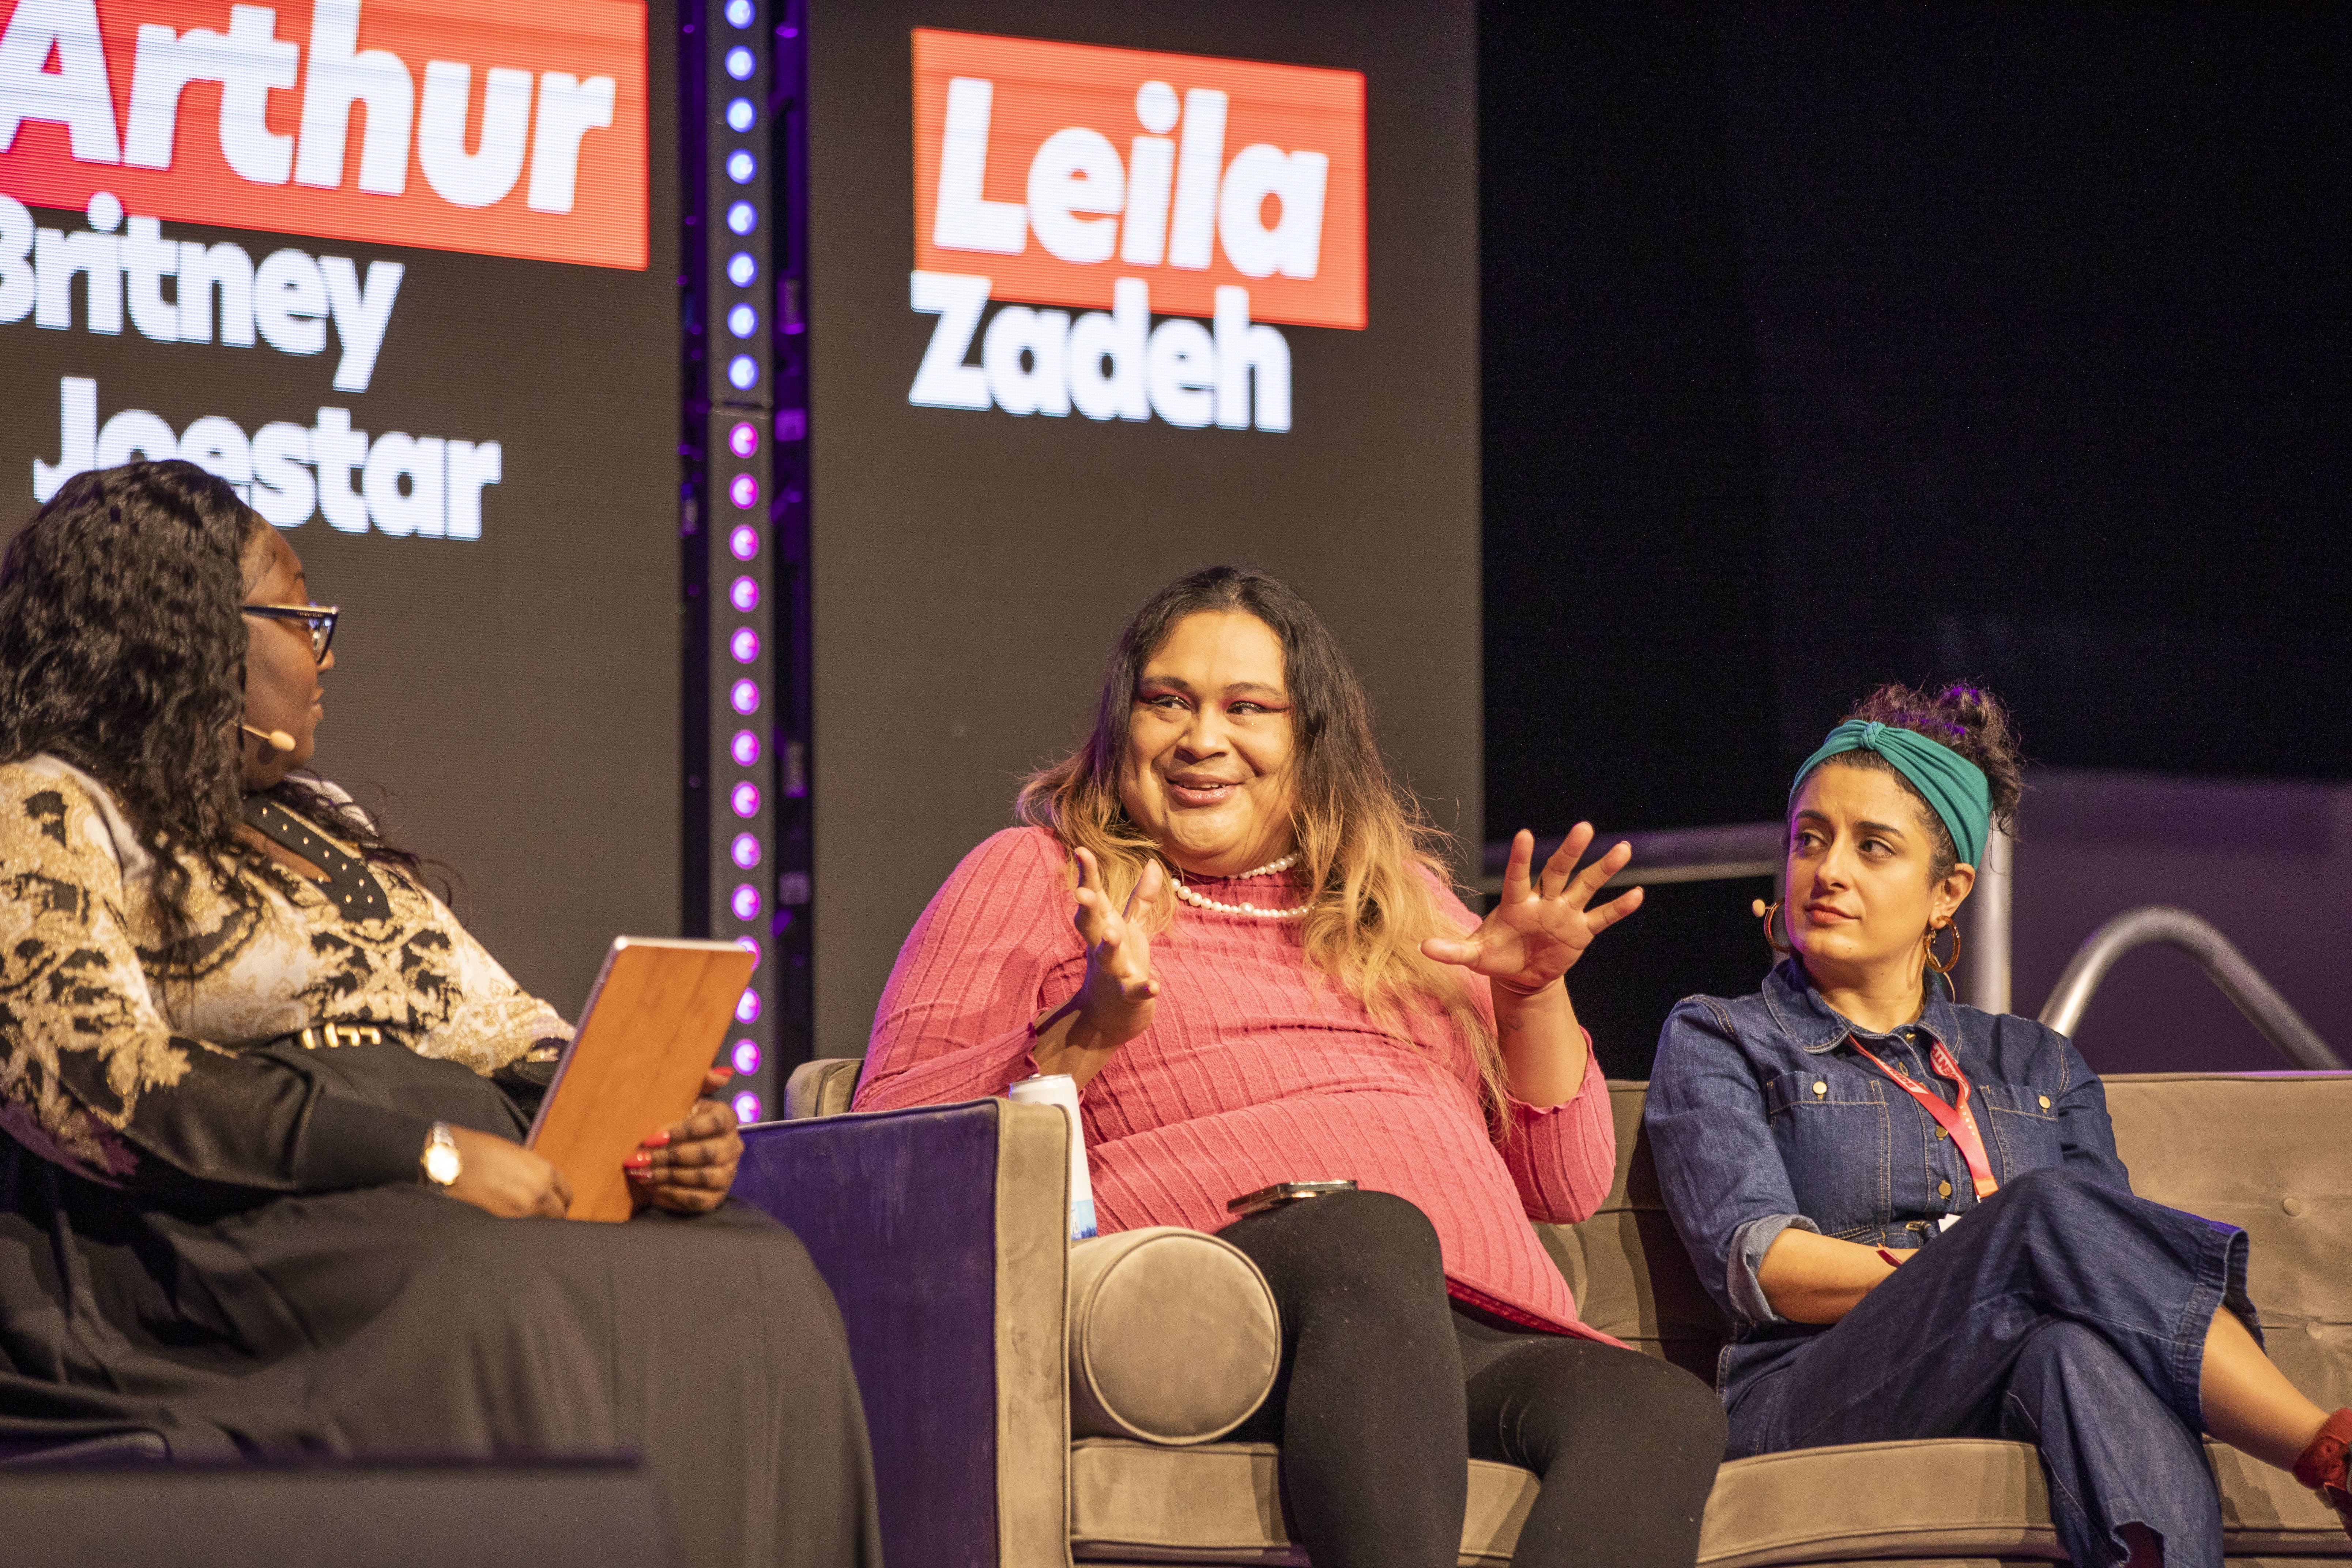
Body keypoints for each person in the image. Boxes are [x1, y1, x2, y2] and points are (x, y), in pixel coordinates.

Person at [0, 461, 881, 1568]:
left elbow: (498, 1024)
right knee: (498, 1293)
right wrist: (426, 1155)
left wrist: (651, 1125)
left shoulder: (320, 818)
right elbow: (90, 1082)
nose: (327, 655)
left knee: (758, 1270)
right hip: (217, 1233)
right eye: (300, 616)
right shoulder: (46, 802)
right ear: (187, 636)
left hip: (436, 1178)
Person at [854, 565, 1727, 1568]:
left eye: (1248, 708)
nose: (1202, 739)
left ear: (1312, 742)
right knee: (1367, 1232)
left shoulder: (1398, 900)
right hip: (1216, 1306)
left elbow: (1564, 1185)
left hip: (1452, 1318)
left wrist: (1530, 998)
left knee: (1660, 1409)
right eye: (1167, 702)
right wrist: (1086, 1033)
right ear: (1119, 723)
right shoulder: (1037, 873)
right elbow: (896, 1150)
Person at [1644, 682, 2352, 1568]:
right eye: (1809, 839)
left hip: (2014, 1362)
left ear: (1948, 892)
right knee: (2039, 1220)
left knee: (2074, 1345)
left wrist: (2014, 1280)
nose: (1829, 870)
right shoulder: (1721, 1033)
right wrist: (1972, 1271)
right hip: (1809, 1389)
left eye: (1874, 848)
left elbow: (2112, 1269)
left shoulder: (2042, 1065)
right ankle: (2329, 1450)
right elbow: (1763, 1263)